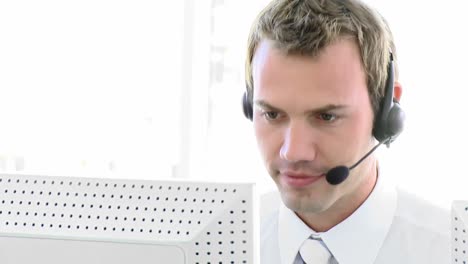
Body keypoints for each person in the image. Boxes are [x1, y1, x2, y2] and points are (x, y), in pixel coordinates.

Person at [241, 0, 450, 263]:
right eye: (272, 114)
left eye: (326, 116)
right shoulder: (216, 245)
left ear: (386, 112)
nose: (293, 152)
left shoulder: (450, 251)